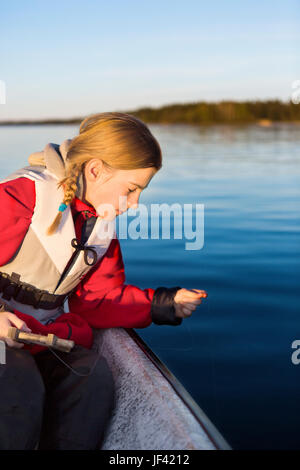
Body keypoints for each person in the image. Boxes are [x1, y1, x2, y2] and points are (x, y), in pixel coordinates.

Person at [0, 112, 207, 450]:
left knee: (90, 377)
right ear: (95, 170)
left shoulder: (101, 228)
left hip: (39, 336)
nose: (135, 203)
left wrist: (163, 304)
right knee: (18, 379)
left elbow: (97, 300)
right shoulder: (22, 197)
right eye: (131, 189)